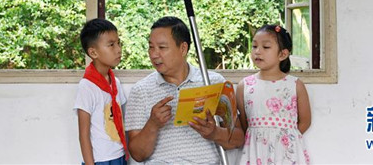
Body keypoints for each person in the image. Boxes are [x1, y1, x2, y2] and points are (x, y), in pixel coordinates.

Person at [124, 16, 244, 163]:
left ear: (183, 48)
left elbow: (239, 139)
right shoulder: (140, 90)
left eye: (162, 47)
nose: (154, 54)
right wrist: (153, 124)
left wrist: (214, 133)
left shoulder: (214, 82)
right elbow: (137, 154)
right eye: (151, 47)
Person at [236, 24, 311, 165]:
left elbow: (305, 121)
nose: (257, 52)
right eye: (254, 46)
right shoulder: (244, 86)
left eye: (266, 47)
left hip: (287, 153)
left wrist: (285, 137)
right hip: (255, 151)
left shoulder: (295, 85)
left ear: (283, 54)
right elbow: (244, 124)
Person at [74, 19, 129, 165]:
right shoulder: (87, 87)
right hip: (100, 160)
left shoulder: (115, 82)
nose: (118, 49)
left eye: (118, 43)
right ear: (93, 52)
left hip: (120, 155)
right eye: (111, 45)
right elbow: (83, 135)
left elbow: (121, 119)